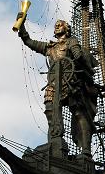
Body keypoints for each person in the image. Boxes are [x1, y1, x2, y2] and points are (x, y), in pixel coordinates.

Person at [16, 17, 98, 155]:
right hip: (54, 83)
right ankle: (55, 141)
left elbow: (79, 57)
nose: (57, 26)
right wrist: (21, 24)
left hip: (71, 82)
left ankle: (85, 150)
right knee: (50, 109)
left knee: (78, 112)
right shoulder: (50, 48)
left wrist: (75, 50)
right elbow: (29, 41)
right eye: (56, 25)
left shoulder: (71, 42)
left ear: (66, 29)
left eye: (60, 25)